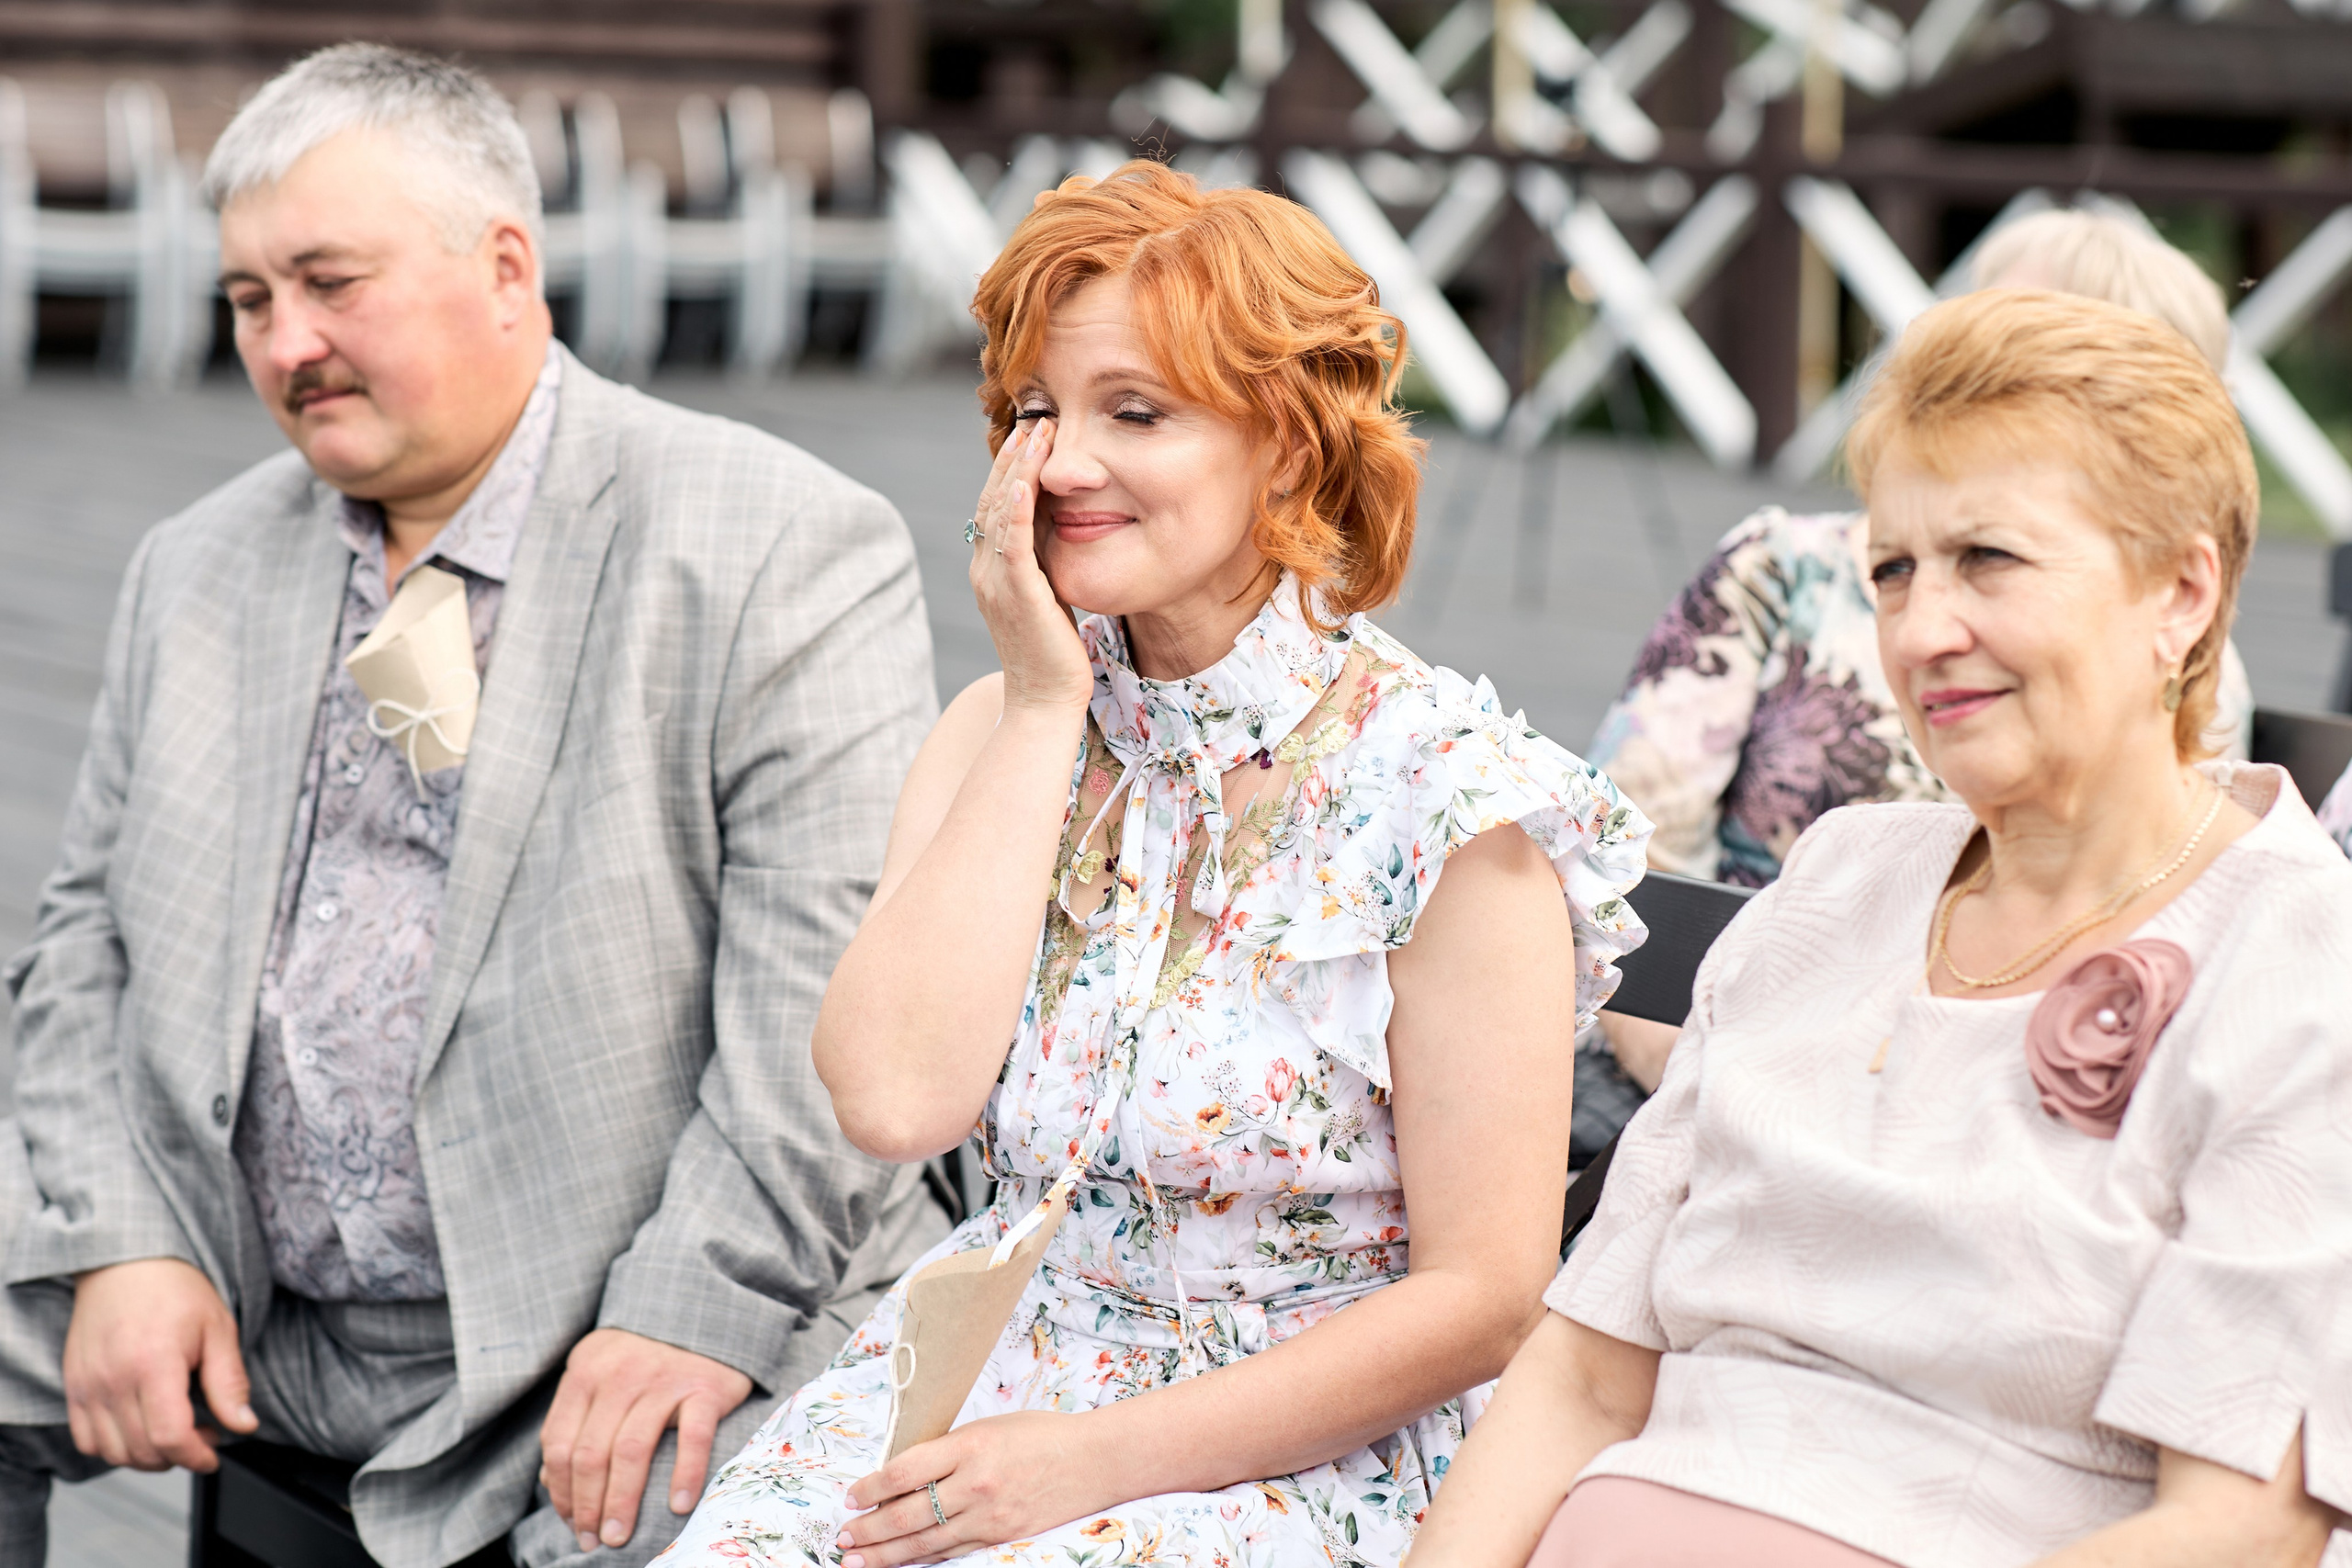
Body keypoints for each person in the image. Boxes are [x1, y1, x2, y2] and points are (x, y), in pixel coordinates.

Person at [0, 44, 944, 1568]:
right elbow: (80, 948)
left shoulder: (777, 546)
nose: (286, 340)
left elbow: (818, 1032)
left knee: (730, 1525)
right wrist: (120, 1236)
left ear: (505, 268)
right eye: (249, 299)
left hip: (586, 1304)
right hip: (246, 1282)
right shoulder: (198, 562)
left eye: (330, 282)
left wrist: (683, 1314)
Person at [657, 161, 1653, 1567]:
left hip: (1301, 1445)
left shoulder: (1447, 805)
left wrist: (1082, 1462)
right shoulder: (1005, 726)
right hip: (982, 1375)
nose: (1061, 465)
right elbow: (893, 1100)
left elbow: (1486, 1294)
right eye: (1036, 412)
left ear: (1291, 445)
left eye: (1138, 411)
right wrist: (1042, 704)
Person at [1407, 288, 2352, 1568]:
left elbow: (2241, 1524)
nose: (1920, 631)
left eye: (1989, 560)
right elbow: (1579, 1375)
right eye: (1894, 569)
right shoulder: (1839, 880)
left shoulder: (2299, 955)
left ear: (2182, 591)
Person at [1581, 208, 2256, 1105]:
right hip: (1691, 1060)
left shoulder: (2192, 686)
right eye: (1892, 572)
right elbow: (1625, 861)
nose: (1921, 632)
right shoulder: (1786, 570)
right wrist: (1722, 1089)